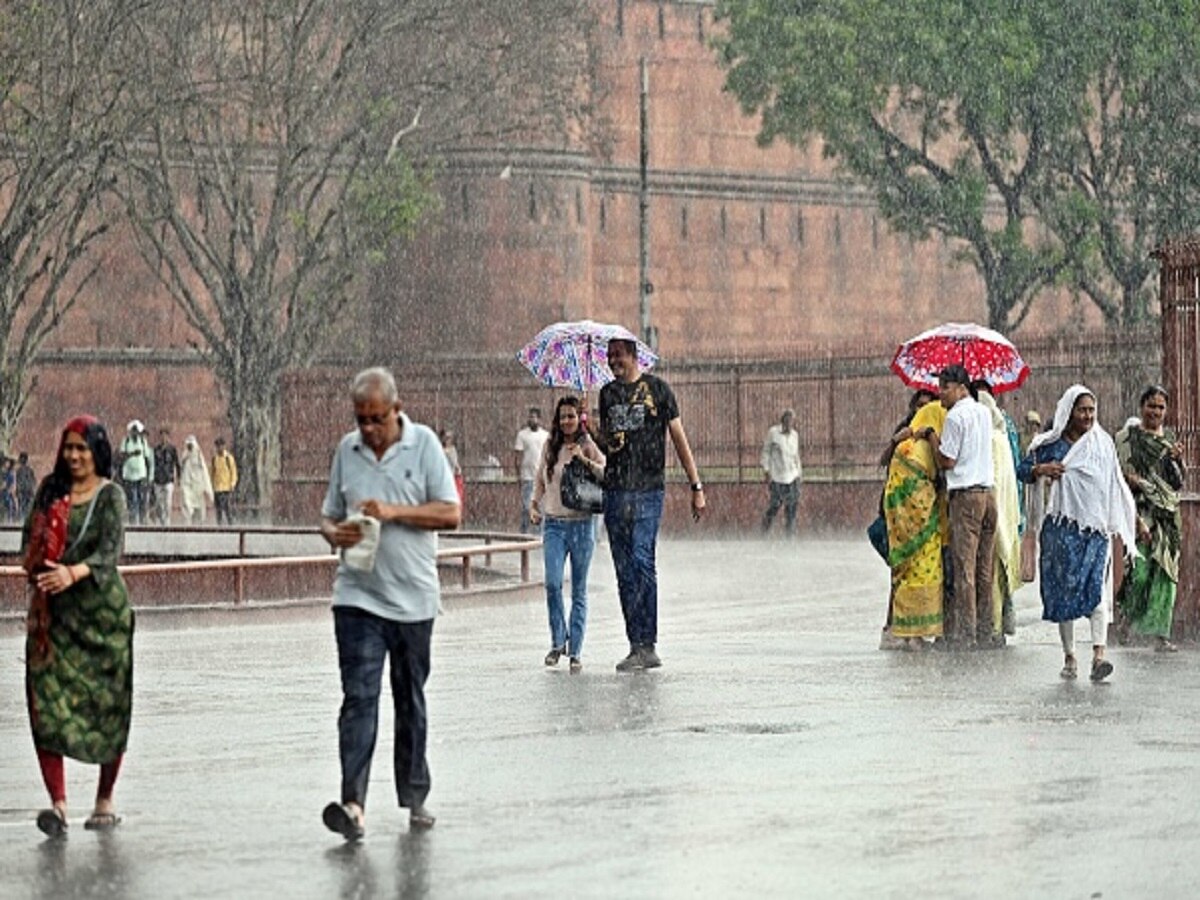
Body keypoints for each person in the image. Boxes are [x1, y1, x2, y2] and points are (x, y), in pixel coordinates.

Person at [320, 367, 460, 841]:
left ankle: (414, 793)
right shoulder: (347, 449)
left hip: (413, 599)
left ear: (397, 409)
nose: (369, 429)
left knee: (409, 699)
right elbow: (328, 515)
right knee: (359, 698)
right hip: (357, 594)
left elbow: (451, 512)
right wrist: (331, 532)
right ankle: (353, 804)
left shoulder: (424, 447)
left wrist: (395, 511)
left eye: (377, 418)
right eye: (361, 419)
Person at [22, 415, 132, 836]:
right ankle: (58, 804)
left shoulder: (111, 497)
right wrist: (39, 569)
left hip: (103, 620)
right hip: (53, 620)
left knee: (109, 707)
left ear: (97, 452)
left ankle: (104, 798)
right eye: (68, 447)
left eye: (82, 448)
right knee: (46, 706)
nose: (73, 456)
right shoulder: (50, 493)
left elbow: (109, 552)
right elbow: (27, 544)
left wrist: (73, 573)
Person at [598, 336, 706, 672]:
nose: (613, 361)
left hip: (648, 490)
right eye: (609, 356)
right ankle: (635, 645)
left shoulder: (658, 390)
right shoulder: (607, 394)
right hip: (615, 490)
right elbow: (609, 448)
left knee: (643, 560)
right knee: (623, 569)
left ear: (633, 356)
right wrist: (593, 433)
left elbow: (678, 438)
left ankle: (649, 643)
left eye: (618, 355)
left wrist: (696, 485)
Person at [1017, 385, 1137, 682]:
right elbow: (1022, 470)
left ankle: (1099, 656)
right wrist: (1041, 469)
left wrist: (1128, 521)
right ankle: (1070, 656)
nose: (1087, 416)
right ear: (1069, 412)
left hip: (1094, 530)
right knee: (1064, 592)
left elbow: (1114, 483)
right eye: (1082, 410)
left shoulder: (1102, 443)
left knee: (1096, 590)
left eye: (1091, 410)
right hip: (1060, 530)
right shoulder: (1049, 444)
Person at [918, 365, 997, 649]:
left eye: (944, 387)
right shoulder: (983, 412)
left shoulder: (955, 417)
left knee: (964, 569)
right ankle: (986, 630)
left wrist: (930, 436)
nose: (940, 394)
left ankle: (967, 634)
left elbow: (947, 461)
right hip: (989, 495)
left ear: (959, 386)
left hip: (966, 498)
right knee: (984, 568)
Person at [530, 396, 606, 673]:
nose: (566, 421)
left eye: (571, 416)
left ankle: (575, 650)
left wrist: (583, 459)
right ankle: (557, 641)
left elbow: (606, 474)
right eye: (562, 416)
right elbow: (540, 477)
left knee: (579, 590)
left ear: (579, 418)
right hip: (554, 525)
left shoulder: (589, 445)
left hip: (583, 524)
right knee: (552, 584)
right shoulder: (550, 446)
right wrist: (534, 504)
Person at [1115, 385, 1185, 652]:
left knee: (1165, 575)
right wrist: (1135, 514)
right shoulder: (1126, 438)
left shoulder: (1169, 441)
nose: (1156, 411)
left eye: (1161, 407)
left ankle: (1161, 635)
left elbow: (1177, 483)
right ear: (1141, 407)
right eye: (1151, 405)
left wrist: (1176, 462)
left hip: (1167, 516)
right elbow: (1119, 478)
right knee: (1141, 574)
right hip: (1139, 512)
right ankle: (1127, 619)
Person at [884, 399, 948, 650]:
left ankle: (907, 631)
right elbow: (941, 473)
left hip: (900, 528)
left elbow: (894, 486)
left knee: (904, 576)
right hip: (925, 527)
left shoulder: (904, 447)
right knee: (927, 571)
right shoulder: (925, 447)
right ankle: (919, 632)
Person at [976, 385, 1022, 641]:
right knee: (998, 571)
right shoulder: (1003, 436)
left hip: (992, 511)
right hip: (1006, 512)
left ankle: (991, 627)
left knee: (990, 572)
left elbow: (990, 479)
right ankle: (997, 625)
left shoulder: (991, 441)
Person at [760, 408, 802, 536]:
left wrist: (799, 473)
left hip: (792, 477)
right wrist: (766, 470)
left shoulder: (795, 435)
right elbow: (766, 451)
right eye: (788, 420)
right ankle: (764, 530)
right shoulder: (773, 433)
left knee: (791, 509)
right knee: (774, 506)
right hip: (778, 477)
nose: (790, 424)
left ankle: (789, 536)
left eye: (792, 421)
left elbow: (796, 456)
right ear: (783, 421)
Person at [513, 407, 548, 533]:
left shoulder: (545, 435)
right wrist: (518, 475)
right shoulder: (522, 435)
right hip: (527, 476)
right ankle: (524, 531)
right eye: (530, 417)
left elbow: (549, 455)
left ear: (539, 419)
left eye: (534, 417)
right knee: (527, 506)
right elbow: (517, 456)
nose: (532, 419)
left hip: (541, 477)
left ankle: (540, 533)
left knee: (541, 506)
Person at [118, 420, 153, 525]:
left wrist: (149, 476)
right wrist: (132, 454)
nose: (135, 433)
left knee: (142, 498)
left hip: (141, 474)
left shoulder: (142, 441)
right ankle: (133, 520)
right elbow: (121, 456)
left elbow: (147, 458)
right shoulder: (126, 441)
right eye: (133, 431)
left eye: (136, 431)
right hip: (129, 475)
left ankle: (142, 520)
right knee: (132, 498)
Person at [179, 436, 213, 524]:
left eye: (191, 445)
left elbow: (205, 473)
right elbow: (181, 469)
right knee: (187, 507)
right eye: (188, 445)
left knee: (199, 511)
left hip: (198, 487)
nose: (190, 447)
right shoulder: (184, 456)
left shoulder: (199, 457)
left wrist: (208, 490)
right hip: (187, 485)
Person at [152, 428, 181, 525]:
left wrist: (179, 477)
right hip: (158, 480)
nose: (163, 438)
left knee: (168, 502)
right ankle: (161, 519)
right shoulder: (156, 450)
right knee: (159, 503)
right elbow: (153, 464)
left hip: (168, 479)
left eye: (165, 436)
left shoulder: (172, 449)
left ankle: (167, 521)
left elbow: (177, 463)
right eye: (162, 436)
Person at [211, 437, 238, 525]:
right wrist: (212, 485)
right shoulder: (214, 459)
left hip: (226, 488)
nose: (219, 448)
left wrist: (232, 484)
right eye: (218, 446)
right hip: (217, 488)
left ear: (224, 446)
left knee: (227, 508)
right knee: (218, 509)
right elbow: (212, 472)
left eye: (221, 446)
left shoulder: (228, 458)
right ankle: (220, 525)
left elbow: (233, 472)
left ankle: (231, 525)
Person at [440, 428, 465, 523]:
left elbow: (454, 463)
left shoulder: (452, 450)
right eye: (446, 438)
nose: (448, 440)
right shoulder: (440, 450)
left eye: (450, 438)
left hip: (452, 477)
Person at [15, 452, 36, 521]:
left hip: (24, 492)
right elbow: (33, 482)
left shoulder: (20, 471)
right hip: (28, 492)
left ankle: (23, 521)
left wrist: (18, 491)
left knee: (23, 508)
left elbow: (19, 482)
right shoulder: (30, 470)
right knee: (26, 508)